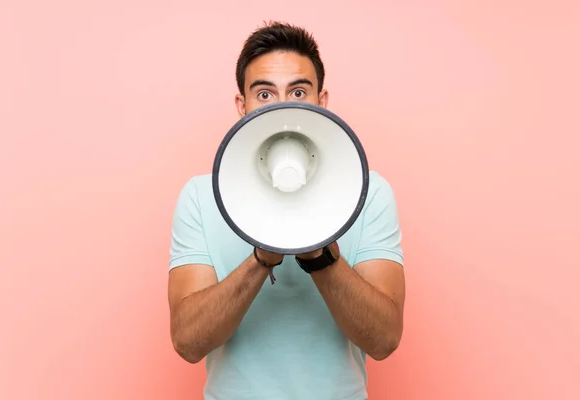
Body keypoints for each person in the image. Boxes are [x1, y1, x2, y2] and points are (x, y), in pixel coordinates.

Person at [167, 21, 406, 400]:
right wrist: (262, 257)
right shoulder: (200, 196)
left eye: (298, 90)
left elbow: (384, 340)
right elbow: (188, 342)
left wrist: (319, 255)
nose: (282, 106)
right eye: (264, 94)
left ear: (321, 103)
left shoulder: (369, 192)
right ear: (241, 106)